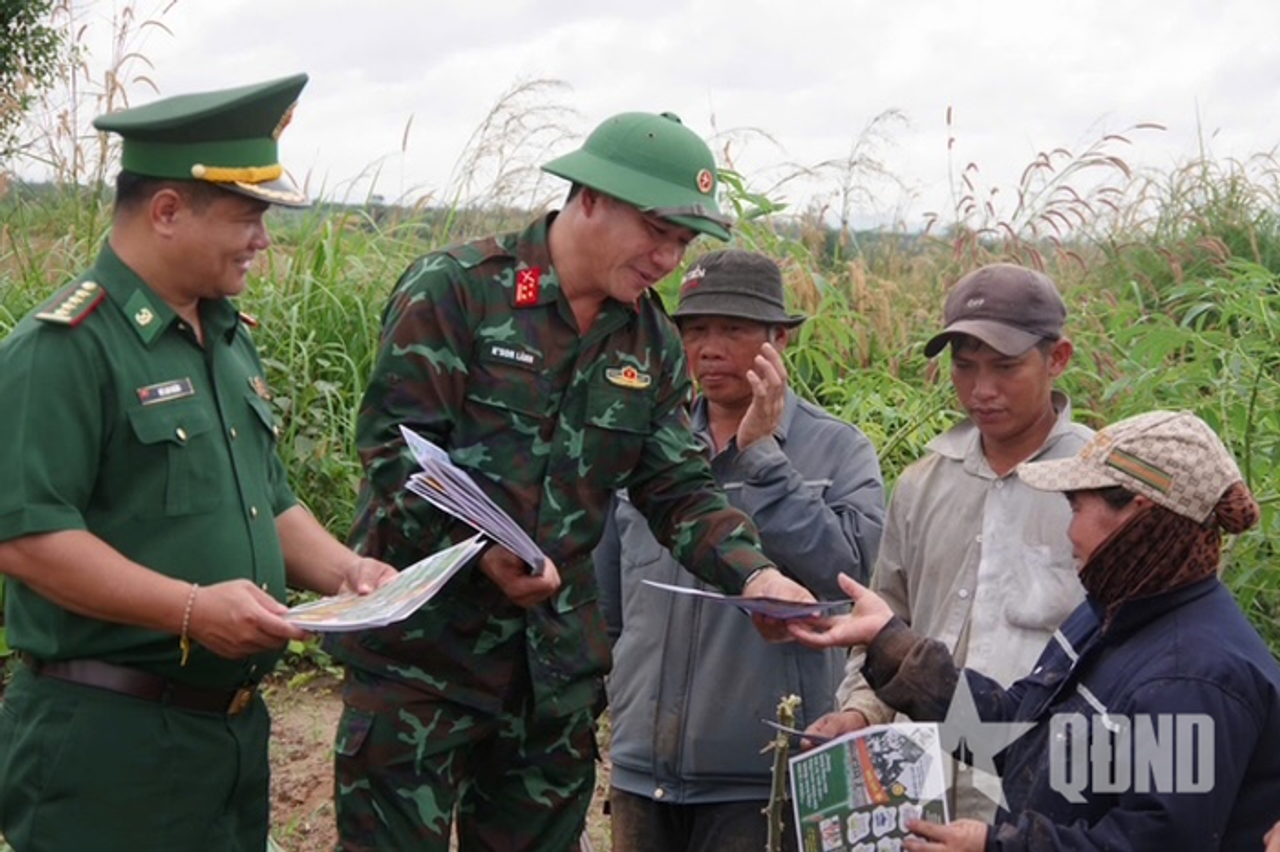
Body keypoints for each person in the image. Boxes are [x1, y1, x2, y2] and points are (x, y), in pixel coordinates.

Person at [327, 112, 817, 852]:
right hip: (422, 666)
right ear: (589, 198)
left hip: (548, 684)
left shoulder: (646, 338)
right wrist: (479, 549)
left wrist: (757, 578)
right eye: (656, 230)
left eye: (682, 242)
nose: (666, 257)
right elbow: (393, 456)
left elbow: (677, 488)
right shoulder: (460, 292)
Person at [0, 75, 397, 852]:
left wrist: (349, 575)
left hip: (228, 740)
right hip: (110, 743)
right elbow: (27, 538)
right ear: (168, 211)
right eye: (248, 217)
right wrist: (192, 610)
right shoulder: (65, 348)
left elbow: (267, 499)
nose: (263, 240)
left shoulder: (225, 337)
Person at [791, 409, 1280, 852]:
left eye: (1076, 508)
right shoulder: (1106, 617)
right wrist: (890, 644)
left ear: (1138, 516)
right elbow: (1016, 736)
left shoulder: (1192, 678)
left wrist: (994, 847)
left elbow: (1153, 843)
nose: (1070, 532)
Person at [595, 249, 887, 852]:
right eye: (696, 330)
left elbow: (854, 573)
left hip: (762, 778)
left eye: (733, 329)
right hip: (641, 771)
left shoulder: (836, 451)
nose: (709, 347)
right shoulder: (651, 449)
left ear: (779, 338)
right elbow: (606, 610)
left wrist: (764, 461)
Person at [805, 262, 1092, 819]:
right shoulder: (923, 482)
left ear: (1057, 358)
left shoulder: (1098, 485)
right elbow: (889, 618)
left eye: (1006, 367)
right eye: (965, 368)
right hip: (922, 788)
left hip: (1041, 796)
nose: (982, 390)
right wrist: (862, 712)